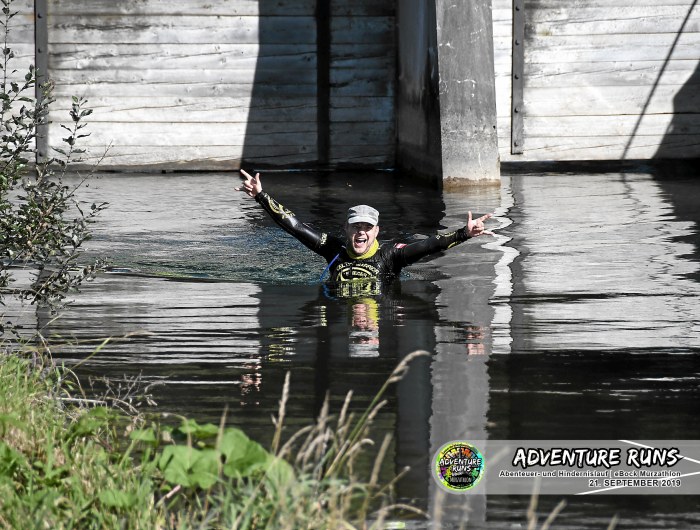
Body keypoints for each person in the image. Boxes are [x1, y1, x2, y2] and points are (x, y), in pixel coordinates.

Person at [235, 169, 493, 293]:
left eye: (367, 228)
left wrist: (463, 233)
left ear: (376, 231)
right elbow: (296, 227)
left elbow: (430, 245)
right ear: (346, 229)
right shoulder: (332, 248)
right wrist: (261, 195)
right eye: (356, 227)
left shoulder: (392, 256)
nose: (361, 233)